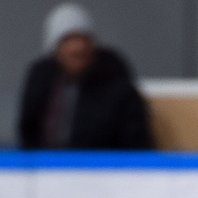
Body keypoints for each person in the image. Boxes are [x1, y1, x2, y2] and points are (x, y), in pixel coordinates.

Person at [18, 3, 153, 150]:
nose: (78, 48)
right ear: (55, 48)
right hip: (48, 169)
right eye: (68, 40)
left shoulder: (116, 86)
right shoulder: (40, 80)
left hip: (102, 169)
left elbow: (135, 144)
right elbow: (28, 134)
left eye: (84, 39)